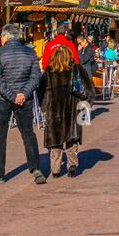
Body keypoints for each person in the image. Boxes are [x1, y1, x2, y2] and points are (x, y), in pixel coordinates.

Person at [0, 24, 46, 184]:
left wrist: (11, 96)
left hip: (3, 99)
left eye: (1, 36)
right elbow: (36, 76)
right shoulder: (30, 52)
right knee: (28, 133)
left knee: (0, 135)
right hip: (24, 99)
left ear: (6, 37)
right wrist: (23, 94)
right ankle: (35, 168)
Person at [39, 37, 94, 178]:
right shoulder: (77, 69)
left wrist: (44, 107)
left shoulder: (48, 72)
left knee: (55, 141)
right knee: (72, 139)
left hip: (54, 110)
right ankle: (72, 165)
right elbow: (89, 90)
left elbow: (40, 92)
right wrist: (86, 108)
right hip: (73, 109)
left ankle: (55, 170)